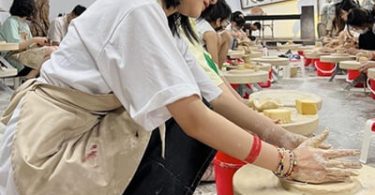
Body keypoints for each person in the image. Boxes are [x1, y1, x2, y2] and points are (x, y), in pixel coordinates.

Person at [0, 0, 361, 195]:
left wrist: (283, 137)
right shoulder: (135, 8)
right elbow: (194, 116)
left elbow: (214, 91)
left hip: (85, 131)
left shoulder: (164, 23)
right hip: (50, 147)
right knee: (183, 121)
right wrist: (287, 163)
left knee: (196, 113)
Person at [0, 0, 56, 78]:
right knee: (51, 51)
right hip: (12, 56)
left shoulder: (24, 24)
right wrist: (35, 40)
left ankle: (29, 77)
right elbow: (16, 45)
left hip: (24, 53)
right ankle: (29, 77)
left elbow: (30, 45)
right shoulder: (11, 22)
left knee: (55, 49)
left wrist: (40, 43)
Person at [195, 0, 232, 69]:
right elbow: (214, 67)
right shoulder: (210, 33)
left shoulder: (199, 22)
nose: (225, 25)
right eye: (225, 21)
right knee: (227, 35)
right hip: (198, 70)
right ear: (218, 21)